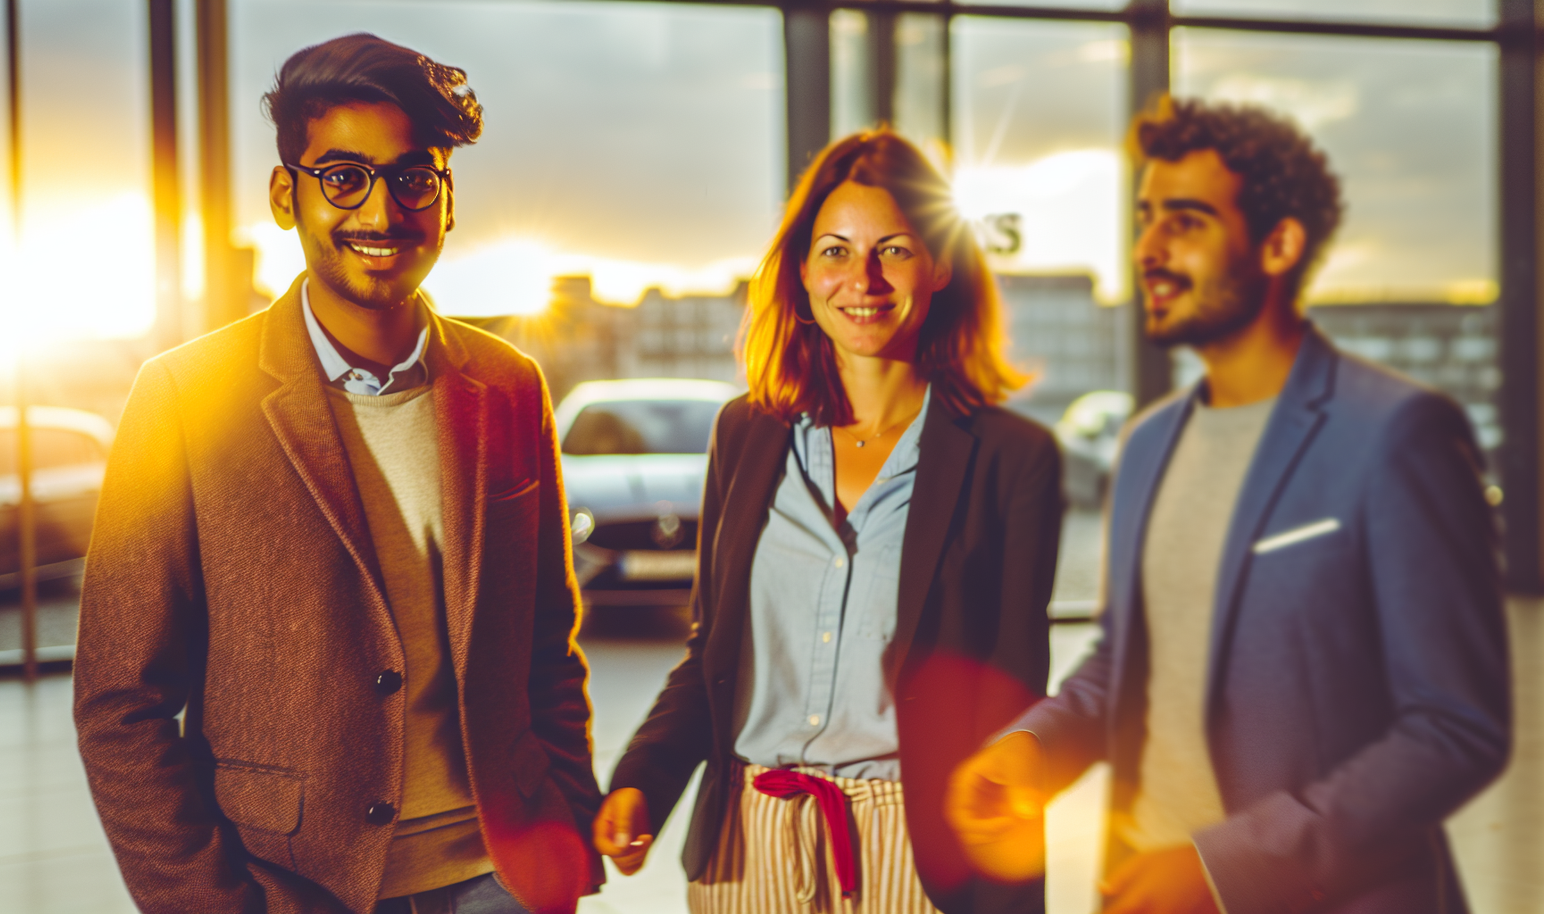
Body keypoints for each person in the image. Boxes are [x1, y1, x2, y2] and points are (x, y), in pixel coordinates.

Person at [73, 34, 600, 914]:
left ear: (447, 198)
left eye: (412, 177)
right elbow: (120, 702)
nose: (381, 210)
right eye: (343, 176)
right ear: (288, 196)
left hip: (503, 876)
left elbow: (548, 642)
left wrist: (570, 825)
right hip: (295, 884)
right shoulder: (183, 397)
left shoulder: (510, 386)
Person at [946, 97, 1511, 914]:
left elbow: (1455, 727)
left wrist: (1226, 869)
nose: (1148, 250)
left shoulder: (1396, 434)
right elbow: (1125, 661)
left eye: (1186, 222)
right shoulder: (1145, 445)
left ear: (1279, 243)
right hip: (1139, 889)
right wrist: (1035, 750)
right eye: (1145, 220)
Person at [592, 129, 1063, 914]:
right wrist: (642, 779)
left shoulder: (1014, 457)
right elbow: (713, 651)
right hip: (750, 841)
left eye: (895, 250)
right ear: (804, 274)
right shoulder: (745, 433)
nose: (864, 279)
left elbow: (1012, 698)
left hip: (919, 850)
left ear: (942, 265)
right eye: (836, 251)